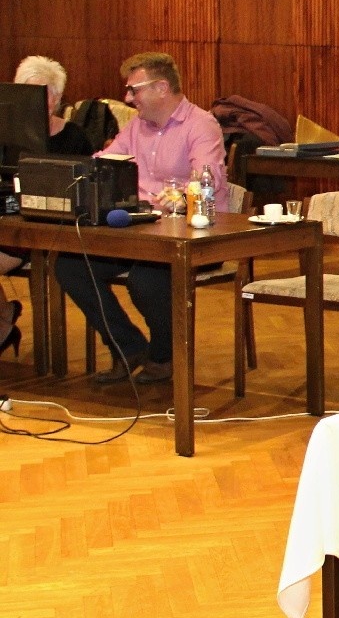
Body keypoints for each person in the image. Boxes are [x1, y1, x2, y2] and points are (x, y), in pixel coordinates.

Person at [54, 52, 226, 385]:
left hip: (194, 234)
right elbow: (104, 161)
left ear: (161, 88)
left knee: (146, 280)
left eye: (134, 90)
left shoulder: (201, 124)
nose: (128, 98)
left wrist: (179, 193)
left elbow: (208, 177)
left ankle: (163, 356)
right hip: (140, 231)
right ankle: (128, 347)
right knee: (71, 266)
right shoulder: (135, 127)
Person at [0, 56, 95, 276]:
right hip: (10, 220)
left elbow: (86, 191)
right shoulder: (7, 133)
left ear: (57, 98)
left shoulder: (75, 137)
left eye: (41, 94)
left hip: (46, 229)